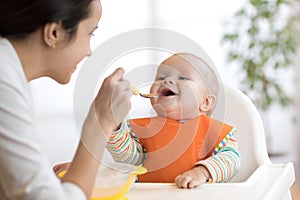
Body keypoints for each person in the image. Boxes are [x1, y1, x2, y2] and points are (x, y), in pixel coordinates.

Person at [0, 0, 132, 199]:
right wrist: (100, 122)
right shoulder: (4, 79)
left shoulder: (10, 72)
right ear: (54, 33)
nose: (89, 51)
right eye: (90, 33)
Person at [106, 53, 241, 189]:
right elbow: (129, 159)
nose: (167, 81)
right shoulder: (146, 130)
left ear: (206, 102)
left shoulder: (213, 133)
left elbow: (231, 160)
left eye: (182, 78)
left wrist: (202, 172)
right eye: (161, 78)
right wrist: (113, 126)